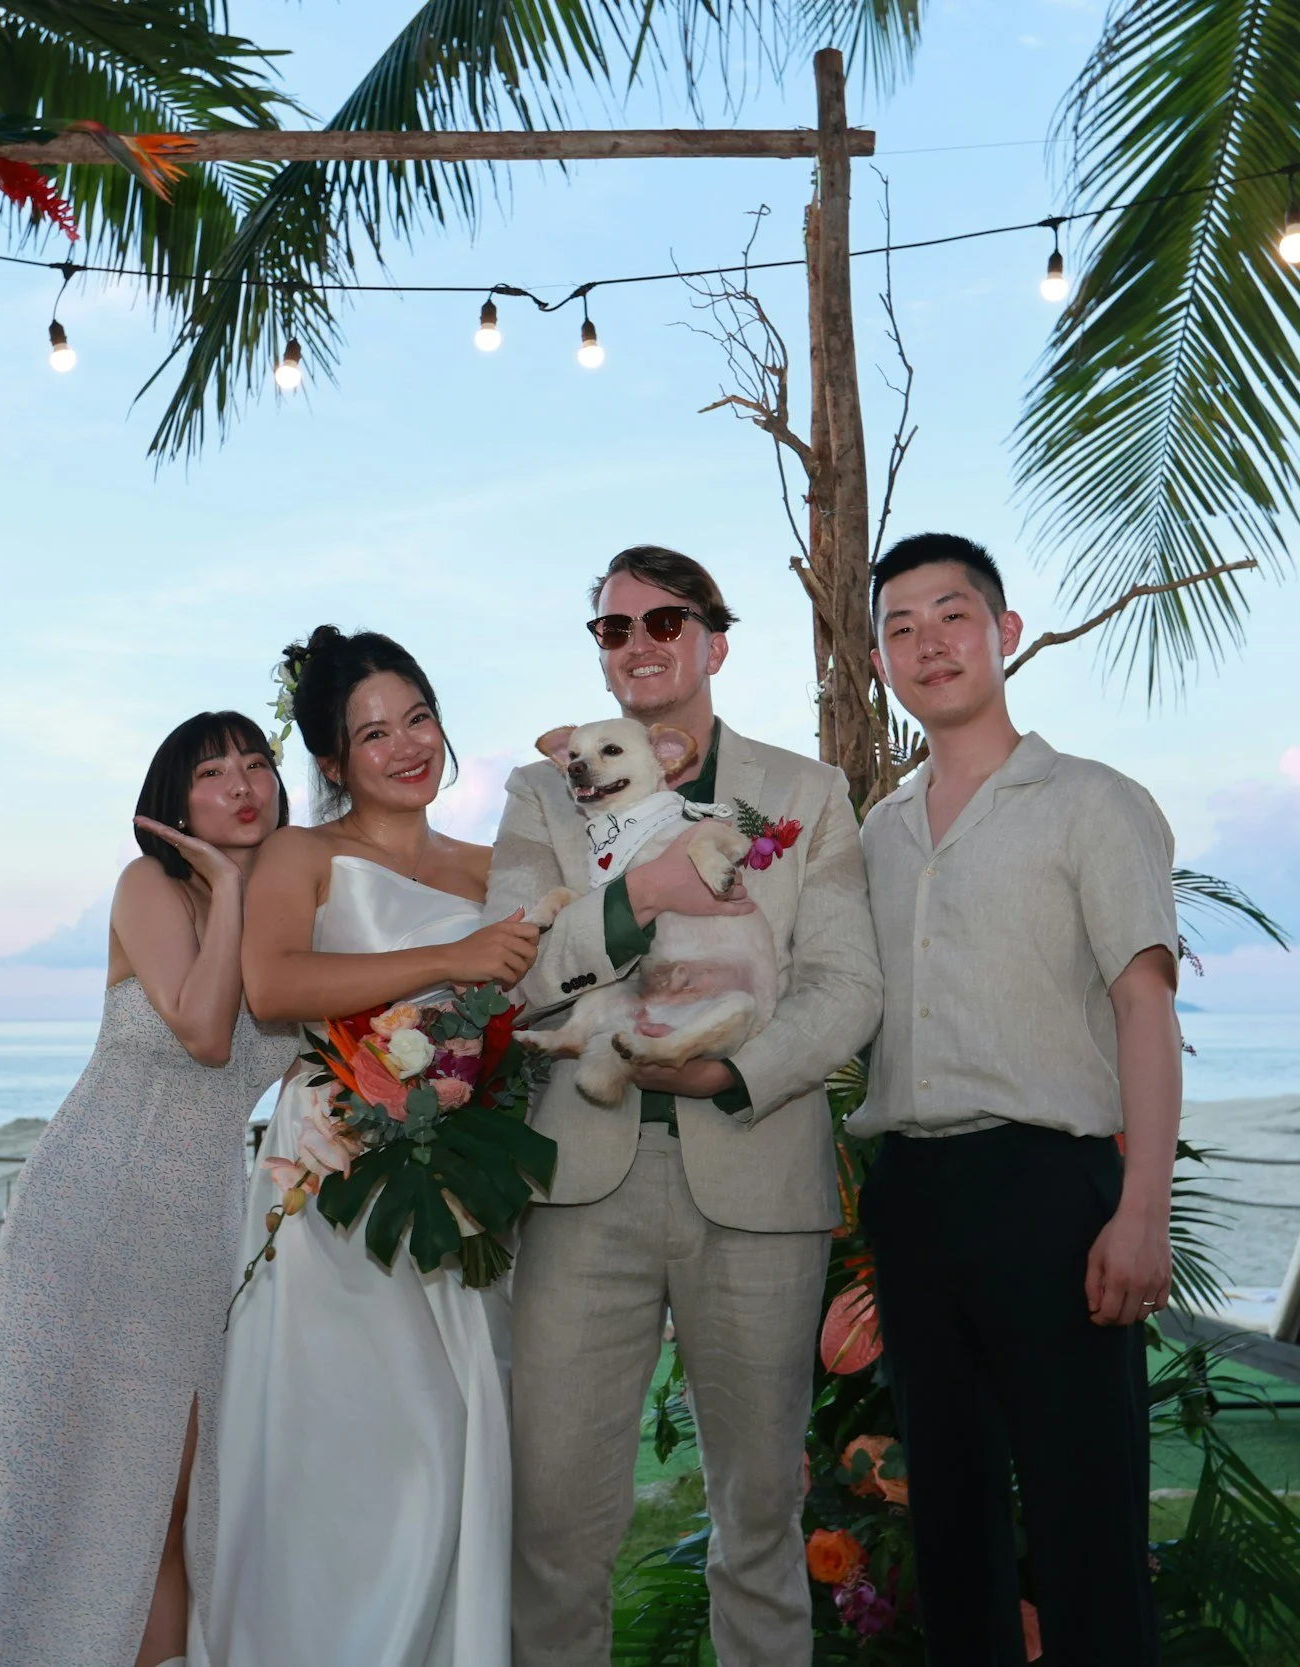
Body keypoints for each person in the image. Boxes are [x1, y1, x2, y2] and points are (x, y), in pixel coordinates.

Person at [489, 546, 883, 1666]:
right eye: (613, 628)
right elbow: (513, 968)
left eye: (666, 621)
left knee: (760, 1524)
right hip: (580, 1187)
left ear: (714, 640)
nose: (640, 644)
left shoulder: (805, 792)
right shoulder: (538, 791)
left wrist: (739, 1073)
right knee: (556, 1528)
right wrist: (634, 902)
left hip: (755, 1177)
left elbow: (848, 984)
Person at [852, 533, 1182, 1665]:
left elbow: (1144, 1006)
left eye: (950, 615)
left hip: (1051, 1189)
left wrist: (1142, 1207)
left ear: (1006, 633)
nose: (925, 643)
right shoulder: (875, 835)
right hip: (911, 1195)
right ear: (879, 661)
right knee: (947, 1521)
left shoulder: (1090, 802)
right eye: (898, 626)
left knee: (1085, 1513)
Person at [0, 710, 297, 1667]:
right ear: (172, 804)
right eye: (214, 772)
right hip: (88, 1210)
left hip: (195, 1232)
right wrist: (221, 882)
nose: (243, 784)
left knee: (167, 1495)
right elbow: (208, 1033)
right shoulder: (150, 885)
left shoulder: (290, 921)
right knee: (46, 1482)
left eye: (257, 763)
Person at [205, 626, 542, 1667]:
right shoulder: (302, 854)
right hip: (331, 1170)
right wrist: (452, 954)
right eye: (373, 732)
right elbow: (274, 985)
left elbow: (528, 1005)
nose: (405, 746)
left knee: (448, 1438)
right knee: (339, 1444)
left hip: (453, 1176)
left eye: (419, 718)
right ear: (335, 759)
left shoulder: (498, 866)